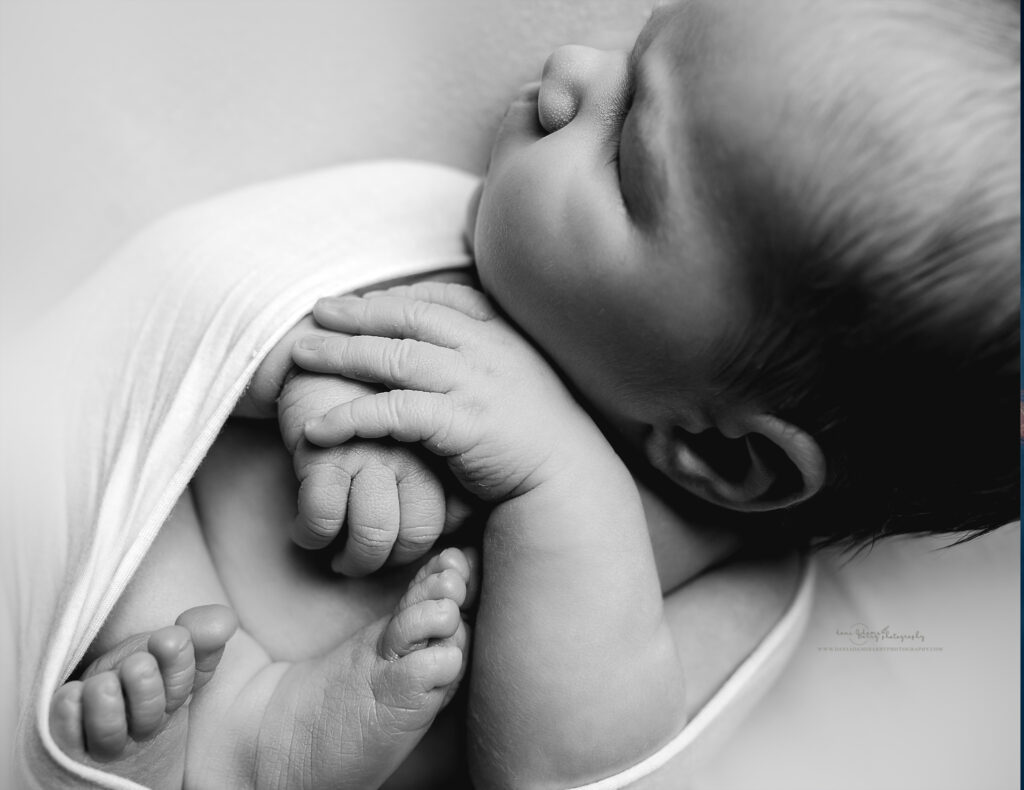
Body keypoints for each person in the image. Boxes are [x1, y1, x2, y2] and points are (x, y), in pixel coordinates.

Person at [47, 0, 1019, 787]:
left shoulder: (741, 588)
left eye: (625, 154)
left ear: (729, 456)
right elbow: (230, 323)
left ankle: (249, 743)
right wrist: (308, 394)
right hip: (108, 538)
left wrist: (553, 477)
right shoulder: (467, 263)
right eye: (635, 49)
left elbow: (563, 773)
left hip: (251, 726)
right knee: (117, 503)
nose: (568, 72)